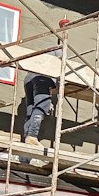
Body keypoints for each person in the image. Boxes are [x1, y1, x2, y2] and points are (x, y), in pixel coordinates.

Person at [22, 19, 68, 147]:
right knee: (43, 105)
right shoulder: (60, 50)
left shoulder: (47, 50)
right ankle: (32, 136)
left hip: (29, 78)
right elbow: (60, 65)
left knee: (31, 110)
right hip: (41, 76)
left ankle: (27, 137)